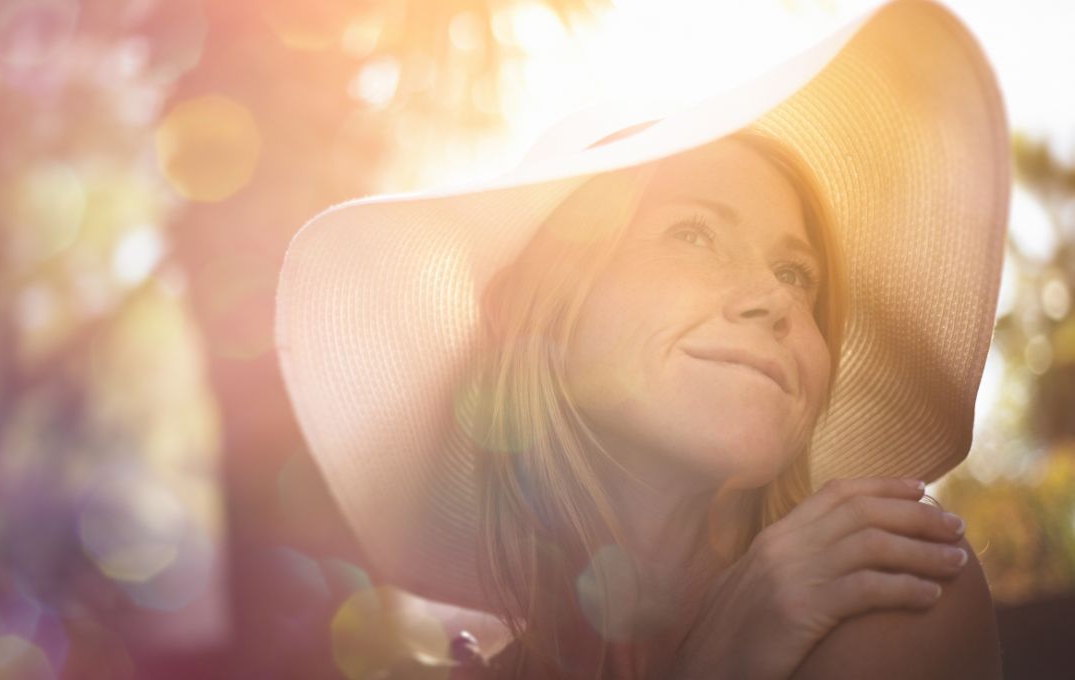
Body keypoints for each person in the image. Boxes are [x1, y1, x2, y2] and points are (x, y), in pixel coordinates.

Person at [274, 0, 1009, 677]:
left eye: (797, 272)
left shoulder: (888, 591)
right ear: (530, 317)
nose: (776, 300)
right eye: (694, 234)